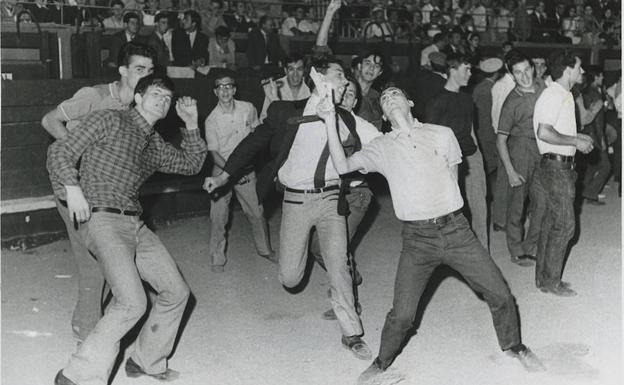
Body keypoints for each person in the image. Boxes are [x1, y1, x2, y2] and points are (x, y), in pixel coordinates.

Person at [314, 85, 545, 385]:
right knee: (403, 315)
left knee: (500, 293)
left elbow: (453, 177)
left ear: (410, 102)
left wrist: (446, 210)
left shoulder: (442, 134)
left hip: (456, 230)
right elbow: (343, 166)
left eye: (395, 94)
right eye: (384, 99)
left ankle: (514, 345)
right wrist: (330, 120)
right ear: (383, 115)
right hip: (417, 239)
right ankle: (382, 363)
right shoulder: (381, 146)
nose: (389, 98)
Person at [204, 57, 373, 361]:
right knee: (290, 278)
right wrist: (224, 175)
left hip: (331, 200)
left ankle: (352, 333)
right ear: (317, 78)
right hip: (295, 201)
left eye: (346, 77)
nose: (346, 80)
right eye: (339, 74)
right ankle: (301, 250)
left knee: (338, 265)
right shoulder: (286, 112)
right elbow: (252, 144)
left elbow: (382, 142)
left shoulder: (347, 119)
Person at [49, 74, 207, 385]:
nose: (162, 101)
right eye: (156, 94)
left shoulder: (155, 144)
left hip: (135, 223)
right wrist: (73, 189)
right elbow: (60, 152)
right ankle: (76, 375)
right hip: (102, 218)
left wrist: (191, 125)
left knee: (176, 291)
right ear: (137, 97)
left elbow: (191, 165)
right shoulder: (108, 119)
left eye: (167, 98)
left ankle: (145, 360)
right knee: (133, 302)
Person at [41, 42, 157, 343]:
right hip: (72, 184)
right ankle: (89, 341)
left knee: (108, 260)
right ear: (123, 70)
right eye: (139, 69)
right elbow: (49, 119)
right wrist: (81, 154)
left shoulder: (139, 107)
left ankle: (83, 322)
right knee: (94, 262)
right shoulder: (94, 96)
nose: (146, 75)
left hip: (104, 190)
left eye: (151, 70)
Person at [532, 50, 594, 297]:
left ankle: (544, 279)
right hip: (556, 168)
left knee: (551, 223)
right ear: (568, 69)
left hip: (559, 166)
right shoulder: (553, 95)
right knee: (565, 226)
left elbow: (554, 129)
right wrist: (575, 142)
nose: (582, 71)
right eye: (579, 67)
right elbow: (544, 132)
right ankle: (551, 282)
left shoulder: (563, 94)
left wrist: (577, 137)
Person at [202, 72, 275, 272]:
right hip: (221, 170)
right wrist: (231, 172)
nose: (225, 90)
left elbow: (257, 133)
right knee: (218, 217)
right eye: (220, 87)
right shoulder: (211, 120)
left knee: (257, 212)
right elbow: (214, 153)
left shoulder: (248, 108)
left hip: (246, 170)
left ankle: (265, 250)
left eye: (228, 86)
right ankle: (217, 259)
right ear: (215, 92)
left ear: (234, 89)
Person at [426, 53, 489, 250]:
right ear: (452, 70)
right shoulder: (437, 101)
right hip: (448, 162)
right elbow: (430, 137)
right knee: (451, 209)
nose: (470, 73)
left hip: (471, 157)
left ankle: (482, 253)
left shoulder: (467, 99)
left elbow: (471, 131)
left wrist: (479, 158)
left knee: (479, 207)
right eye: (466, 69)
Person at [496, 51, 546, 267]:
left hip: (542, 148)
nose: (524, 76)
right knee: (517, 204)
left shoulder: (543, 87)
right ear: (512, 75)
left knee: (543, 202)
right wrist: (510, 172)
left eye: (527, 70)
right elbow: (500, 141)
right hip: (519, 150)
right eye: (518, 72)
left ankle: (531, 246)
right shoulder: (511, 102)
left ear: (533, 69)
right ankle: (516, 249)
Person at [490, 51, 517, 231]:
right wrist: (502, 135)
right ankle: (500, 220)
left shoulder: (513, 84)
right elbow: (497, 113)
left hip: (511, 134)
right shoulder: (502, 85)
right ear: (508, 67)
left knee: (510, 177)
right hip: (505, 135)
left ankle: (505, 217)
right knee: (504, 178)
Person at [579, 66, 611, 205]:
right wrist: (601, 139)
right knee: (606, 166)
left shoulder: (587, 91)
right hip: (594, 134)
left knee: (593, 165)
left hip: (587, 133)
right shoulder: (595, 94)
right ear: (596, 77)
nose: (603, 78)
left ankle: (583, 191)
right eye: (601, 76)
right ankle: (590, 194)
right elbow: (597, 121)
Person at [472, 58, 502, 184]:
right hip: (486, 131)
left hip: (480, 129)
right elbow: (487, 116)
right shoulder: (489, 89)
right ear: (497, 73)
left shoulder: (480, 86)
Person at [259, 53, 311, 122]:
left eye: (299, 69)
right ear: (285, 71)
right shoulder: (274, 88)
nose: (295, 74)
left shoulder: (310, 87)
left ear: (304, 70)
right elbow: (264, 118)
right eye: (291, 69)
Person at [353, 50, 385, 130]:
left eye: (376, 66)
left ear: (380, 72)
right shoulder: (347, 90)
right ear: (359, 66)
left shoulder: (378, 97)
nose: (371, 68)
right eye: (368, 63)